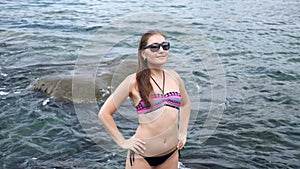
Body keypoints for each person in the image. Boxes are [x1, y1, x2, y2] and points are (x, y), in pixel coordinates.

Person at [98, 30, 190, 169]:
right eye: (154, 47)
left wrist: (183, 132)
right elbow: (104, 113)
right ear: (143, 54)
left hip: (171, 153)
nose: (161, 50)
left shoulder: (174, 77)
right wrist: (122, 142)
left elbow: (185, 104)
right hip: (142, 155)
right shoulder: (133, 81)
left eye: (165, 46)